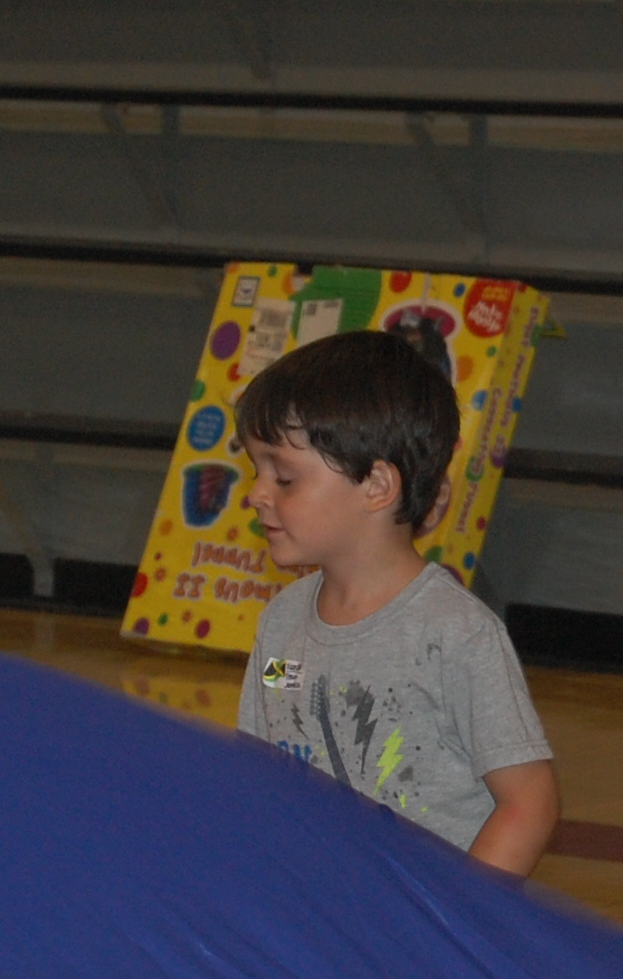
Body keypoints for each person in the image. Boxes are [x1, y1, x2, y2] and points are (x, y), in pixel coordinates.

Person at [233, 328, 559, 875]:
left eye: (284, 477)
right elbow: (254, 773)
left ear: (377, 486)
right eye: (257, 471)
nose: (257, 494)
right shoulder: (281, 627)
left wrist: (458, 920)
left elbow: (529, 801)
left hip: (414, 933)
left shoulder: (454, 635)